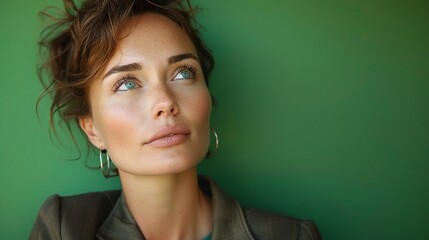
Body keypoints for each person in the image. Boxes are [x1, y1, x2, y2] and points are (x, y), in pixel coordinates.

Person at [30, 0, 321, 239]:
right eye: (127, 83)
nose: (166, 103)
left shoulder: (292, 236)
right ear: (92, 129)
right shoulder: (64, 228)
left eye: (183, 73)